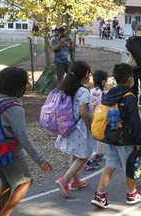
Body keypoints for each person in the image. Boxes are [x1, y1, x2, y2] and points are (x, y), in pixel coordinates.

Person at [0, 67, 52, 215]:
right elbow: (24, 138)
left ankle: (2, 212)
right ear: (20, 87)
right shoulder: (15, 109)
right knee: (25, 182)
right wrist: (41, 160)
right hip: (12, 153)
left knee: (6, 184)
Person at [91, 63, 141, 209]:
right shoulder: (129, 97)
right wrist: (138, 141)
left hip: (112, 137)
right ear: (130, 79)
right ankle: (132, 193)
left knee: (109, 166)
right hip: (125, 140)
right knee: (130, 167)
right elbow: (134, 121)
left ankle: (100, 195)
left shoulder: (110, 94)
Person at [55, 61, 93, 197]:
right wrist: (91, 123)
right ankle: (64, 180)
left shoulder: (65, 88)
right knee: (83, 156)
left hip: (68, 126)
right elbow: (83, 113)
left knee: (75, 153)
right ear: (85, 75)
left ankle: (76, 181)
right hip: (79, 129)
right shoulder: (83, 91)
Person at [85, 70, 108, 170]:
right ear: (103, 81)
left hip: (90, 118)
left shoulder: (90, 91)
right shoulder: (103, 94)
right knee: (97, 138)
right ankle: (91, 160)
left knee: (93, 138)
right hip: (98, 120)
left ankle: (95, 153)